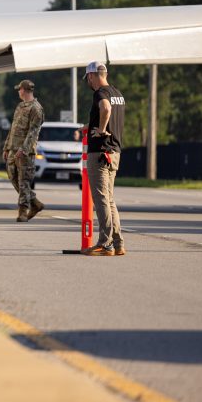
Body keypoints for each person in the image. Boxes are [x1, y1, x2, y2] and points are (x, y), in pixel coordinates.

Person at [81, 61, 127, 256]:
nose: (88, 82)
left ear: (92, 76)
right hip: (114, 152)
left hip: (100, 152)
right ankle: (118, 244)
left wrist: (100, 130)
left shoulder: (101, 94)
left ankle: (105, 243)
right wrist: (89, 125)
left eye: (88, 78)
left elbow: (105, 109)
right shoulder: (118, 94)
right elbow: (110, 112)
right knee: (109, 200)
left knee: (100, 200)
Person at [3, 79, 45, 222]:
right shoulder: (20, 106)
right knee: (12, 177)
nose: (18, 92)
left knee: (23, 181)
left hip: (25, 152)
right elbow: (13, 128)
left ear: (24, 90)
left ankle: (22, 211)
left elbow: (33, 132)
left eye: (19, 89)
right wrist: (6, 147)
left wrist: (24, 149)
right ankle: (35, 203)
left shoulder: (36, 108)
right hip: (12, 149)